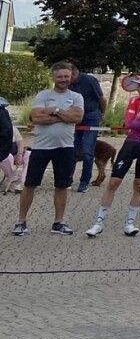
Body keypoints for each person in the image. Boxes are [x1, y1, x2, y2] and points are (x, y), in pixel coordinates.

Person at [86, 73, 140, 238]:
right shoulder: (134, 101)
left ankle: (130, 223)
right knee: (113, 182)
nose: (138, 88)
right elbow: (130, 123)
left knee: (138, 185)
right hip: (130, 145)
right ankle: (98, 223)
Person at [13, 62, 84, 235]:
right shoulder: (43, 95)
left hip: (65, 148)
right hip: (41, 147)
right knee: (30, 184)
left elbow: (78, 117)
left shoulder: (76, 97)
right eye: (59, 76)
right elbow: (37, 118)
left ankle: (58, 223)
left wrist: (56, 110)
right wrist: (64, 116)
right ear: (53, 77)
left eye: (66, 76)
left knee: (62, 186)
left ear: (71, 77)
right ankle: (21, 222)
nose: (63, 79)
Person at [70, 63, 106, 192]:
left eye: (70, 76)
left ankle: (84, 182)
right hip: (75, 116)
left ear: (75, 73)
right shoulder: (66, 82)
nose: (68, 80)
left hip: (91, 116)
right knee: (72, 149)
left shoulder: (89, 81)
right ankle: (68, 179)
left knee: (87, 150)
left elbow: (101, 98)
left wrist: (102, 113)